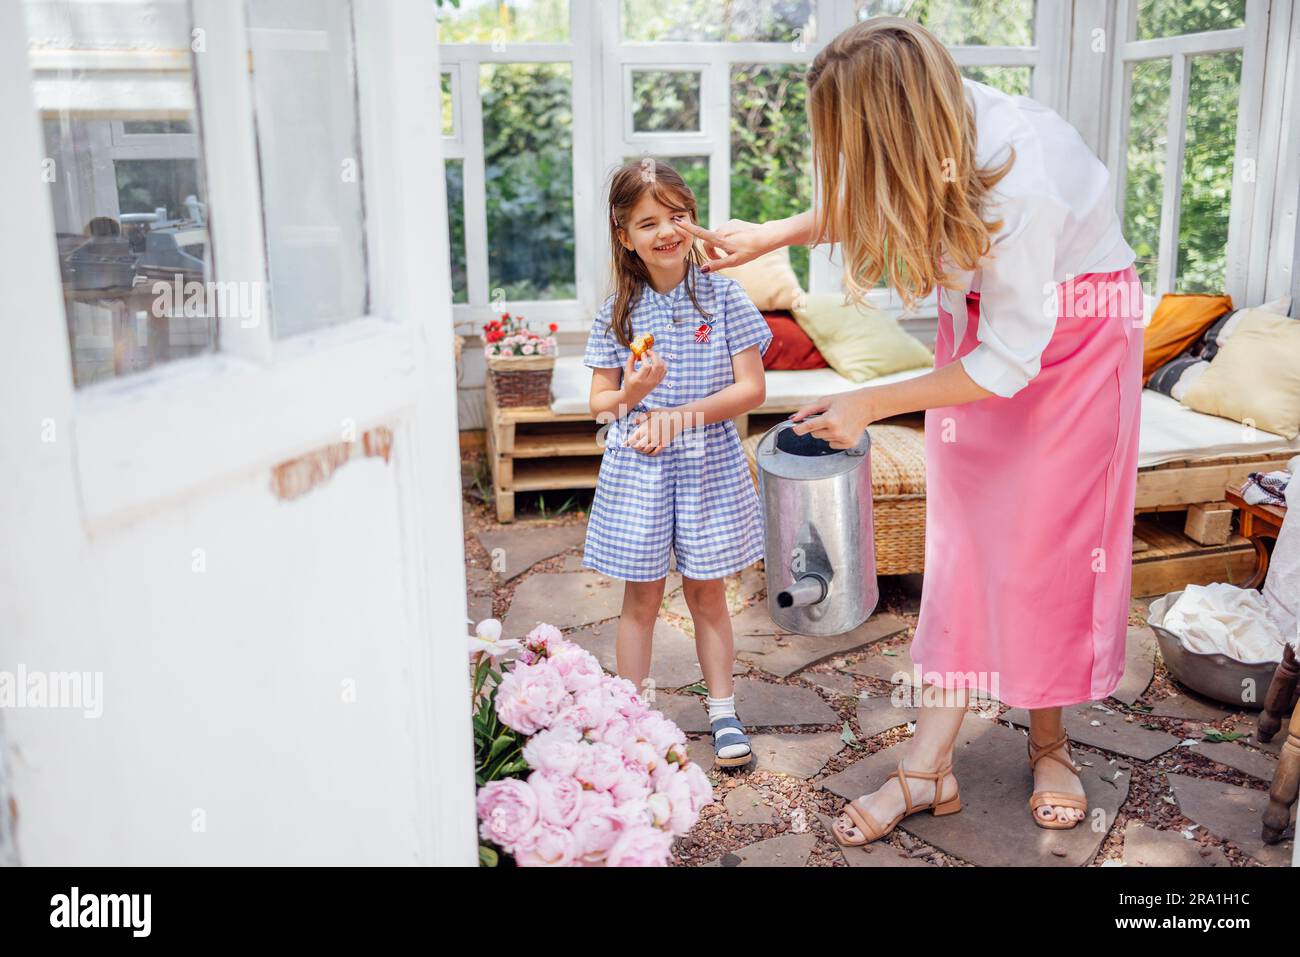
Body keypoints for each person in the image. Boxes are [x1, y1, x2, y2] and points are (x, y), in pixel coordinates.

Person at [676, 18, 1143, 838]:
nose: (844, 160)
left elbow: (1012, 362)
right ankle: (927, 767)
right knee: (965, 543)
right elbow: (881, 187)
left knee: (1047, 551)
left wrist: (867, 401)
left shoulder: (1020, 182)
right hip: (989, 331)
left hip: (1071, 344)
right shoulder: (936, 121)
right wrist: (780, 232)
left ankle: (1048, 739)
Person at [582, 160, 773, 768]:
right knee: (640, 599)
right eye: (648, 221)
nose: (667, 231)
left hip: (705, 467)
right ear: (624, 234)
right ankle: (630, 720)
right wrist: (635, 397)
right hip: (639, 468)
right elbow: (599, 404)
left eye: (678, 216)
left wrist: (677, 416)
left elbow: (752, 391)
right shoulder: (618, 309)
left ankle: (722, 712)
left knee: (708, 595)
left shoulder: (723, 294)